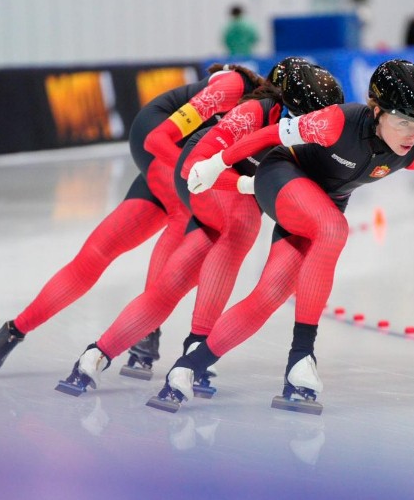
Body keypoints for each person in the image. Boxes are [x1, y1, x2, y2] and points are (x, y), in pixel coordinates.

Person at [150, 59, 414, 414]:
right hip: (281, 177)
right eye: (404, 122)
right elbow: (270, 135)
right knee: (334, 229)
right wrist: (216, 164)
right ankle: (303, 356)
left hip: (318, 202)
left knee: (268, 296)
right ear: (376, 111)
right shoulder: (337, 121)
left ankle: (186, 368)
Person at [0, 62, 265, 380]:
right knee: (186, 216)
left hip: (169, 161)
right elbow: (161, 138)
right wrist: (198, 172)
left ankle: (12, 332)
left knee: (96, 254)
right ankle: (148, 331)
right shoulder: (234, 86)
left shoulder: (259, 119)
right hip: (159, 144)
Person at [54, 61, 345, 397]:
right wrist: (245, 185)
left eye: (318, 122)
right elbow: (193, 166)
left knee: (174, 282)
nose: (309, 130)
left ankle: (95, 355)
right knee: (243, 223)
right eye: (301, 120)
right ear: (280, 106)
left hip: (233, 193)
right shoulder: (251, 113)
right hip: (204, 180)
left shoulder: (325, 129)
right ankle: (197, 344)